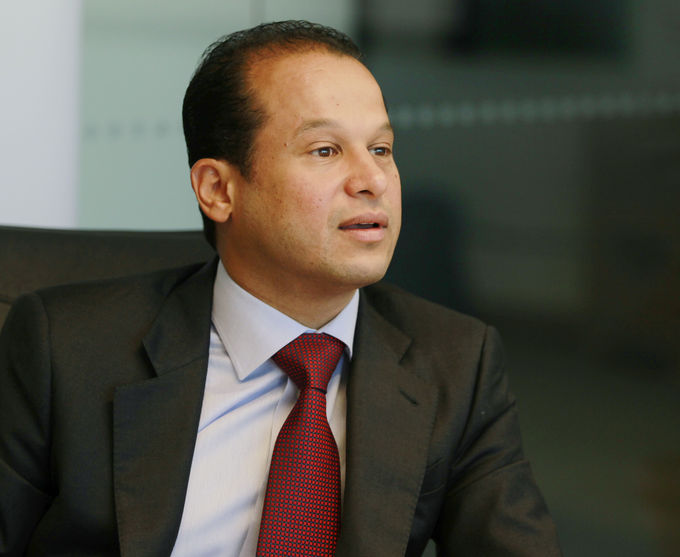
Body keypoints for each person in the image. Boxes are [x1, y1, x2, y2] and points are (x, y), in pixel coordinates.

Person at [0, 21, 561, 556]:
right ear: (218, 189)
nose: (372, 181)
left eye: (382, 149)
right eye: (325, 150)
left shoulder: (455, 363)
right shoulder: (65, 349)